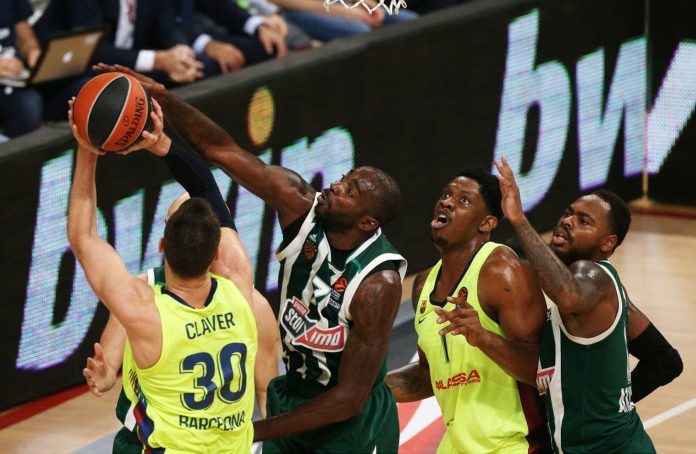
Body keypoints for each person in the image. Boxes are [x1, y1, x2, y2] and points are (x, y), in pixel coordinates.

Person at [98, 63, 409, 452]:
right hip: (294, 395)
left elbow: (349, 400)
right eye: (344, 178)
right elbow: (221, 150)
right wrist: (164, 99)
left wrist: (252, 432)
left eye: (350, 191)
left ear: (367, 222)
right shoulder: (300, 205)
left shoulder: (378, 284)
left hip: (352, 424)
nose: (335, 185)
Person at [67, 99, 257, 452]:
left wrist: (88, 149)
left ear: (161, 246)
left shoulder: (145, 312)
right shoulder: (239, 283)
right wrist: (165, 145)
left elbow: (83, 237)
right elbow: (206, 186)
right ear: (217, 253)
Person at [491, 157, 683, 453]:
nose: (567, 221)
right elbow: (665, 361)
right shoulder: (610, 293)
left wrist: (518, 219)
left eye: (584, 221)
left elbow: (568, 296)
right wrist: (611, 408)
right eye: (568, 213)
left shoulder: (592, 274)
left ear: (607, 243)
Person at [385, 168, 550, 453]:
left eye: (463, 200)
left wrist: (483, 337)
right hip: (456, 445)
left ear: (486, 223)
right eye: (446, 195)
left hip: (514, 445)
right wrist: (373, 387)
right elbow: (428, 374)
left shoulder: (503, 272)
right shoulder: (423, 284)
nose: (447, 202)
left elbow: (543, 368)